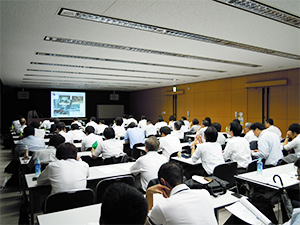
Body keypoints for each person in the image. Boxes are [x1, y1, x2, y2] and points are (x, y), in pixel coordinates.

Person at [146, 162, 218, 225]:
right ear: (183, 179)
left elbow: (147, 223)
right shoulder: (204, 194)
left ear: (163, 182)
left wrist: (149, 193)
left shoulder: (162, 207)